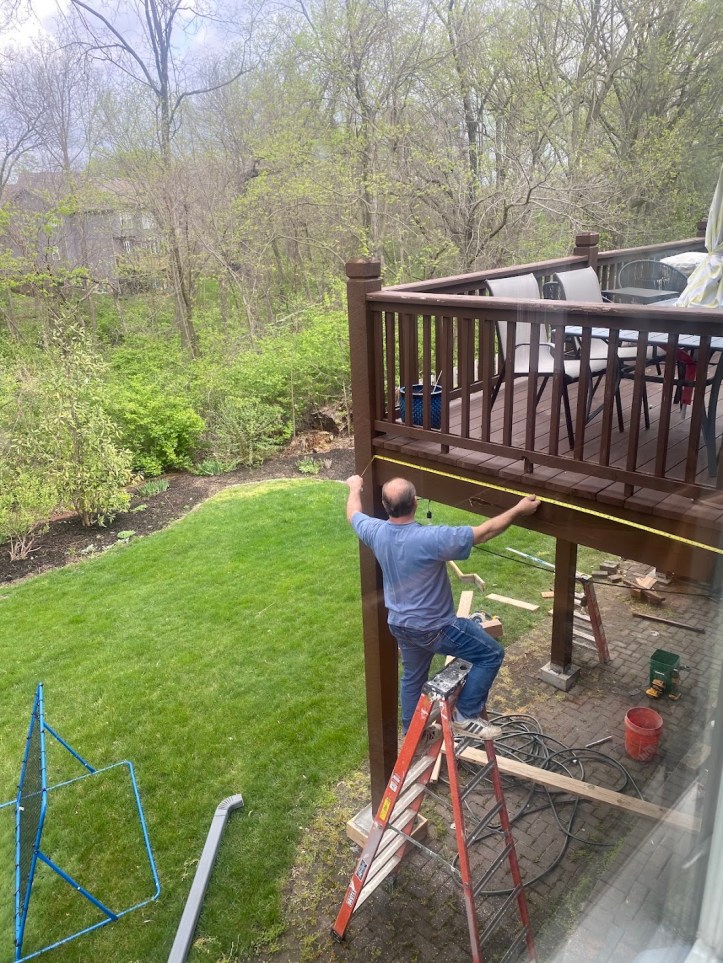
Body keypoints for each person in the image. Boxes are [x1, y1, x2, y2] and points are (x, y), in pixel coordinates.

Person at [346, 475, 539, 738]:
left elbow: (353, 514)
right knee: (491, 654)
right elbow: (485, 532)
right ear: (415, 503)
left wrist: (354, 487)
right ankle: (465, 715)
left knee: (413, 676)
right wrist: (518, 510)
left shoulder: (376, 531)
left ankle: (412, 731)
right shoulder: (431, 538)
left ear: (384, 505)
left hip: (400, 626)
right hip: (436, 628)